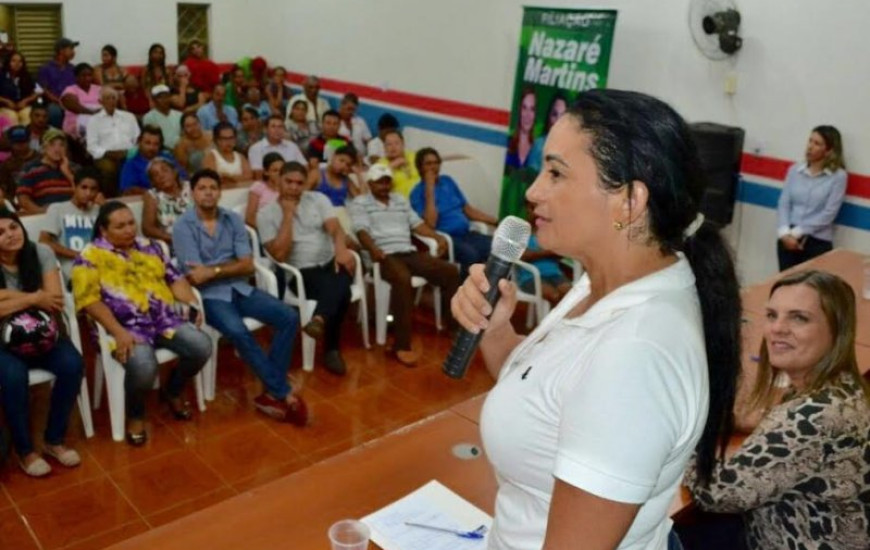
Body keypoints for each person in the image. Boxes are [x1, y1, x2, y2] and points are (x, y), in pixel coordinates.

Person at [450, 89, 741, 549]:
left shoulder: (636, 357)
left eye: (556, 173)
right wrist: (498, 329)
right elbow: (540, 393)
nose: (532, 191)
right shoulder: (601, 284)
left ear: (629, 202)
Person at [684, 270, 870, 550]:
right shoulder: (843, 389)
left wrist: (686, 438)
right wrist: (742, 422)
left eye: (799, 318)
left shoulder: (813, 415)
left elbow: (717, 494)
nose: (777, 328)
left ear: (838, 329)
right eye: (772, 315)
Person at [72, 201, 211, 446]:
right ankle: (135, 415)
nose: (128, 229)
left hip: (162, 319)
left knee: (201, 346)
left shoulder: (151, 246)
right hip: (124, 327)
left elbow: (174, 278)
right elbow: (88, 302)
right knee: (145, 367)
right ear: (104, 231)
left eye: (130, 223)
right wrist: (117, 332)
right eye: (120, 226)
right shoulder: (89, 256)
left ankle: (174, 390)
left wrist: (191, 303)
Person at [173, 169, 306, 424]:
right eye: (202, 188)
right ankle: (282, 391)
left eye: (213, 187)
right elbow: (196, 277)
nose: (208, 192)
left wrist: (214, 270)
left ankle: (271, 389)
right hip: (210, 297)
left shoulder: (232, 219)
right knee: (237, 331)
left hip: (241, 288)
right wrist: (224, 269)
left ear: (219, 192)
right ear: (192, 193)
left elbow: (247, 265)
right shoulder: (183, 227)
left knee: (288, 316)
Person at [0, 208, 84, 477]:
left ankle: (54, 440)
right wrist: (33, 298)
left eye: (13, 227)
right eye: (0, 233)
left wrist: (7, 299)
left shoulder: (40, 252)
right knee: (12, 377)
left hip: (46, 333)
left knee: (72, 365)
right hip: (3, 342)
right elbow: (43, 298)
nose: (10, 235)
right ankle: (26, 451)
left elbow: (55, 300)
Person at [350, 164, 459, 366]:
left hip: (407, 251)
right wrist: (373, 249)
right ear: (370, 183)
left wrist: (437, 237)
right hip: (383, 255)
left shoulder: (399, 200)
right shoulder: (361, 203)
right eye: (379, 182)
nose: (384, 186)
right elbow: (360, 230)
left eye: (387, 181)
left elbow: (417, 224)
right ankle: (401, 345)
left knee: (450, 271)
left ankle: (453, 326)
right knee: (402, 279)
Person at [258, 161, 356, 375]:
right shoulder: (266, 214)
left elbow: (335, 229)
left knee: (347, 265)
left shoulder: (318, 199)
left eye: (299, 183)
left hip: (330, 261)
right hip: (301, 272)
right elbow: (280, 255)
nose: (294, 187)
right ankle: (331, 349)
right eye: (289, 182)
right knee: (343, 290)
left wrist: (340, 249)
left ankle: (320, 319)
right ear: (278, 181)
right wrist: (287, 215)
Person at [409, 147, 497, 277]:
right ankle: (463, 293)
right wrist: (430, 189)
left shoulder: (448, 181)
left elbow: (468, 210)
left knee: (498, 247)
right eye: (428, 164)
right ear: (420, 168)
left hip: (467, 234)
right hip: (447, 239)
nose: (433, 167)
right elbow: (430, 223)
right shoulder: (416, 193)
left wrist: (496, 221)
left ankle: (489, 291)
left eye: (436, 163)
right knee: (471, 255)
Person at [775, 125, 847, 271]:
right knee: (785, 283)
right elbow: (784, 203)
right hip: (788, 238)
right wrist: (784, 232)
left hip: (817, 241)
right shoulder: (795, 170)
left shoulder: (838, 177)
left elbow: (828, 214)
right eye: (810, 141)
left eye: (817, 144)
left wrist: (798, 232)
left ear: (829, 150)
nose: (810, 147)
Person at [38, 167, 100, 280]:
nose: (88, 193)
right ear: (74, 187)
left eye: (93, 189)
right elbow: (44, 241)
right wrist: (78, 255)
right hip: (73, 272)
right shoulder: (57, 208)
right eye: (84, 188)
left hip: (100, 269)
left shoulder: (99, 210)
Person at [86, 87, 140, 196]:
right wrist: (109, 153)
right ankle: (111, 198)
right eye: (107, 98)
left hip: (128, 153)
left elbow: (137, 138)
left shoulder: (129, 117)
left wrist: (128, 152)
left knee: (134, 165)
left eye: (114, 98)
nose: (111, 101)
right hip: (105, 155)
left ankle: (131, 196)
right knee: (109, 170)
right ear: (100, 102)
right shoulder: (94, 120)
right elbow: (91, 146)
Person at [16, 128, 75, 214]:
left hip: (71, 215)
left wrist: (68, 173)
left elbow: (84, 194)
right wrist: (41, 212)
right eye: (52, 144)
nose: (57, 149)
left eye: (62, 145)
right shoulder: (31, 168)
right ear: (44, 147)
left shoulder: (74, 168)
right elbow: (23, 198)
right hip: (44, 215)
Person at [119, 126, 185, 195]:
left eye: (156, 144)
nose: (151, 148)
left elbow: (183, 177)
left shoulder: (168, 158)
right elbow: (128, 191)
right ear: (139, 142)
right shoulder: (130, 165)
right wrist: (157, 194)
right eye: (148, 143)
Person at [142, 157, 192, 245]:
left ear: (174, 172)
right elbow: (147, 228)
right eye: (155, 175)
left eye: (164, 170)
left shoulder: (191, 187)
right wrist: (174, 239)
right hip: (173, 243)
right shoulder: (153, 196)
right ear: (153, 182)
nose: (161, 176)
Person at [248, 115, 306, 180]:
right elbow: (257, 173)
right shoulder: (256, 148)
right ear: (265, 129)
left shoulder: (292, 146)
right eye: (273, 126)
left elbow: (304, 167)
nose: (277, 130)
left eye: (280, 127)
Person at [36, 37, 78, 128]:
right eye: (71, 49)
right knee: (54, 111)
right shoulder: (46, 68)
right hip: (53, 102)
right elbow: (44, 90)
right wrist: (59, 101)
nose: (73, 52)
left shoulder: (73, 69)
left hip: (71, 102)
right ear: (61, 51)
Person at [528, 92, 567, 173]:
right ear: (548, 117)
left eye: (562, 116)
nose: (558, 121)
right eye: (554, 114)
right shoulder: (538, 145)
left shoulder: (571, 150)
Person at [60, 63, 101, 139]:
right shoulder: (70, 89)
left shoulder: (98, 89)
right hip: (75, 128)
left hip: (97, 125)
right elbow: (72, 106)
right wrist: (92, 113)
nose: (87, 78)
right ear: (76, 77)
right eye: (83, 75)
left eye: (89, 75)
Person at [0, 125, 37, 204]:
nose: (20, 145)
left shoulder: (41, 159)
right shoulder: (7, 165)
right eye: (17, 142)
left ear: (29, 140)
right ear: (10, 142)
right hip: (16, 202)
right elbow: (3, 189)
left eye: (23, 141)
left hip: (40, 198)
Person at [244, 152, 282, 227]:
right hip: (264, 228)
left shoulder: (288, 188)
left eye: (282, 170)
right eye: (275, 170)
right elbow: (249, 218)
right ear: (266, 172)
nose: (279, 173)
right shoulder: (258, 187)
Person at [0, 50, 38, 125]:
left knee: (28, 118)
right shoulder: (1, 76)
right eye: (13, 61)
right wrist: (6, 101)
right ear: (8, 62)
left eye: (20, 61)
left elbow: (38, 91)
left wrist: (26, 100)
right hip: (5, 107)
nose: (17, 64)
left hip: (23, 106)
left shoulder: (27, 76)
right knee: (12, 118)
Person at [376, 129, 417, 197]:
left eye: (396, 143)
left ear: (403, 144)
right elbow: (378, 185)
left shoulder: (413, 156)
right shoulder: (381, 164)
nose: (393, 147)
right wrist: (394, 165)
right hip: (401, 202)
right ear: (384, 147)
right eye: (389, 144)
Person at [143, 84, 183, 149]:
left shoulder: (179, 115)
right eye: (160, 97)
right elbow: (152, 139)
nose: (164, 100)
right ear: (154, 100)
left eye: (166, 96)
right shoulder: (149, 117)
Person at [505, 86, 536, 169]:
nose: (528, 115)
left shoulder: (537, 150)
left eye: (532, 109)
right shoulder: (506, 143)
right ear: (519, 110)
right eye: (524, 108)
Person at [337, 93, 371, 157]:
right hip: (343, 157)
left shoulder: (360, 121)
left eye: (353, 110)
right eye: (349, 109)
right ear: (341, 106)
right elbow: (331, 142)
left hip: (362, 158)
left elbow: (368, 141)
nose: (351, 112)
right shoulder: (334, 122)